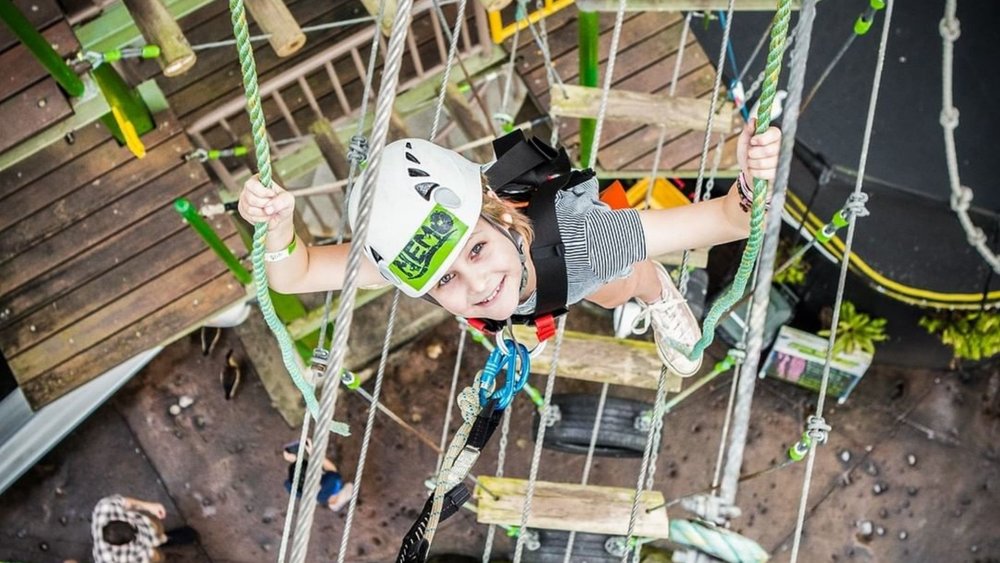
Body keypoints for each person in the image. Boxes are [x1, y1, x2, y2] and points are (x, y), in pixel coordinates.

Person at [238, 120, 781, 377]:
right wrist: (278, 229)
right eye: (443, 281)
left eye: (474, 251)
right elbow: (294, 273)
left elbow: (729, 219)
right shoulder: (411, 258)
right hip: (535, 283)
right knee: (532, 299)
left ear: (501, 211)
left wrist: (753, 180)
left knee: (619, 289)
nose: (475, 285)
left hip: (574, 263)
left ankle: (657, 289)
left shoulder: (588, 239)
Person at [90, 495, 198, 562]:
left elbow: (127, 503)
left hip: (145, 525)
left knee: (157, 527)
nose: (137, 535)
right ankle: (165, 545)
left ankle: (166, 538)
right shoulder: (106, 559)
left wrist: (148, 506)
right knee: (158, 558)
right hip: (142, 556)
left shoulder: (105, 507)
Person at [283, 439, 355, 512]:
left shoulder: (327, 488)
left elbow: (332, 471)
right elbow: (332, 471)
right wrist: (313, 454)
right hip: (312, 485)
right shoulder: (330, 485)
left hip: (306, 483)